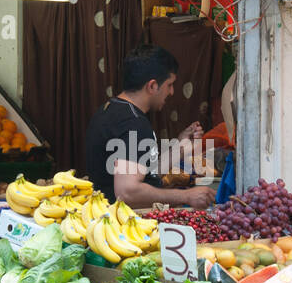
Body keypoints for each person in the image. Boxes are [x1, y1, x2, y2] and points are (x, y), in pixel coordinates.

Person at [85, 45, 218, 210]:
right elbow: (127, 192)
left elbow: (147, 173)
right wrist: (186, 196)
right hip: (122, 224)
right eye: (169, 84)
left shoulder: (112, 109)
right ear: (152, 86)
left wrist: (181, 146)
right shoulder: (132, 123)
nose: (171, 92)